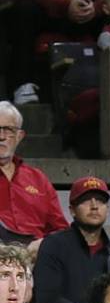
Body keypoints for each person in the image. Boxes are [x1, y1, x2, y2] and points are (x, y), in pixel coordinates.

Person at [32, 176, 110, 303]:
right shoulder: (54, 245)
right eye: (86, 200)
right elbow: (47, 299)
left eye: (100, 200)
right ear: (72, 210)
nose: (94, 206)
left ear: (107, 210)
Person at [0, 102, 68, 248]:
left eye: (8, 130)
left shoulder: (38, 179)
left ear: (19, 136)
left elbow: (61, 230)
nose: (1, 136)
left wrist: (42, 245)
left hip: (38, 259)